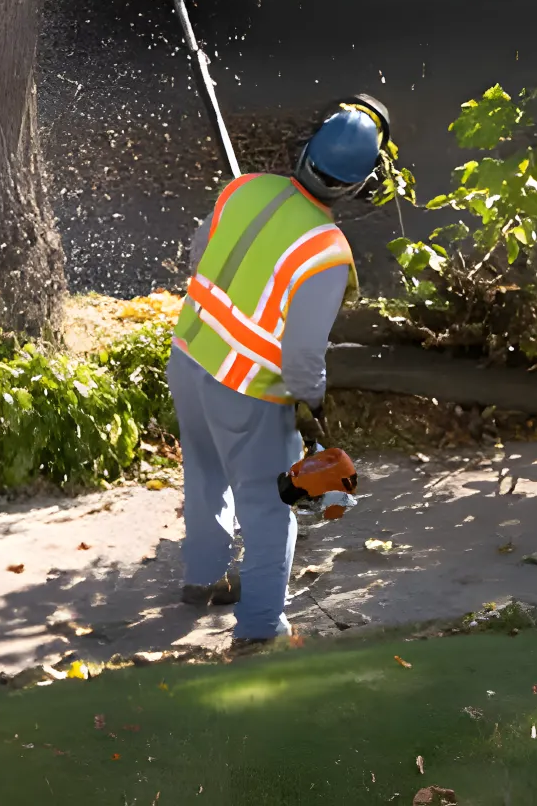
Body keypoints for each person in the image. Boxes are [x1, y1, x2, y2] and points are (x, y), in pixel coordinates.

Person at [166, 95, 392, 654]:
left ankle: (203, 579)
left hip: (188, 358)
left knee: (205, 472)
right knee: (269, 508)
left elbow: (200, 259)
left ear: (305, 151)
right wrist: (315, 401)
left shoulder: (242, 190)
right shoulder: (325, 251)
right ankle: (261, 629)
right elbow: (301, 361)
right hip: (245, 392)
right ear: (358, 186)